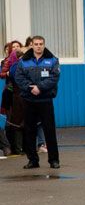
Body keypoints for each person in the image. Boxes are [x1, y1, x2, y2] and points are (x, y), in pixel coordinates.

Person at [14, 36, 60, 169]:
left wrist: (39, 88)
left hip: (45, 100)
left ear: (44, 45)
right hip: (29, 100)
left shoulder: (52, 60)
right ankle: (33, 160)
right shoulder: (24, 61)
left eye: (41, 44)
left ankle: (54, 160)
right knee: (29, 131)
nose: (38, 46)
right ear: (32, 45)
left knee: (49, 131)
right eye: (36, 44)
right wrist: (31, 87)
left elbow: (54, 78)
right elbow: (19, 77)